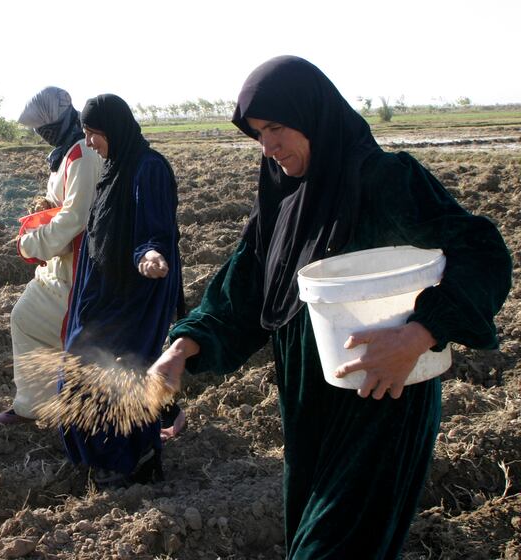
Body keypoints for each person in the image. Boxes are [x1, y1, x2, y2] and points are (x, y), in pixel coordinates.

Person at [147, 56, 512, 559]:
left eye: (277, 126)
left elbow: (483, 253)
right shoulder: (281, 202)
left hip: (383, 400)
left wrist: (420, 333)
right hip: (308, 412)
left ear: (314, 116)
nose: (268, 145)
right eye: (257, 132)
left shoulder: (384, 180)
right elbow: (244, 289)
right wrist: (181, 349)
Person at [59, 94, 185, 488]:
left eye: (95, 133)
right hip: (105, 291)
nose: (90, 141)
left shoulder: (149, 169)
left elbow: (154, 228)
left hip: (135, 293)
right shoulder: (114, 168)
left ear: (114, 129)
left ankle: (135, 459)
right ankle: (104, 456)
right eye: (85, 133)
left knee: (122, 371)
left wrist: (150, 254)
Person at [0, 87, 103, 426]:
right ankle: (40, 403)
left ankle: (48, 406)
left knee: (47, 326)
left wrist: (32, 244)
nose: (42, 134)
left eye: (46, 126)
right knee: (27, 319)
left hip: (78, 266)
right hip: (60, 262)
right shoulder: (67, 153)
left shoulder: (82, 154)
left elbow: (76, 216)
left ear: (64, 119)